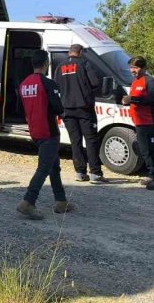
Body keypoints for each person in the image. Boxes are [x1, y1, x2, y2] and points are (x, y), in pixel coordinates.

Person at [17, 49, 73, 220]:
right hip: (49, 132)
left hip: (34, 131)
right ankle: (28, 202)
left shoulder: (23, 84)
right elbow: (58, 108)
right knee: (44, 168)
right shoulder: (48, 83)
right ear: (46, 63)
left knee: (53, 166)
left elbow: (20, 110)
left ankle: (61, 201)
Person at [55, 44, 107, 183]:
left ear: (69, 52)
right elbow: (95, 83)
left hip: (66, 109)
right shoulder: (84, 63)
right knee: (90, 140)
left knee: (75, 141)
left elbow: (57, 86)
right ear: (81, 52)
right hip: (84, 109)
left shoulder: (60, 66)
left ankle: (80, 172)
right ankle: (95, 174)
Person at [123, 56, 154, 191]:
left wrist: (132, 99)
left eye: (136, 67)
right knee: (145, 151)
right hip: (140, 122)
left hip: (152, 122)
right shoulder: (135, 81)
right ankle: (152, 175)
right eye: (131, 67)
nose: (133, 70)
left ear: (143, 68)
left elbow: (151, 99)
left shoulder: (150, 81)